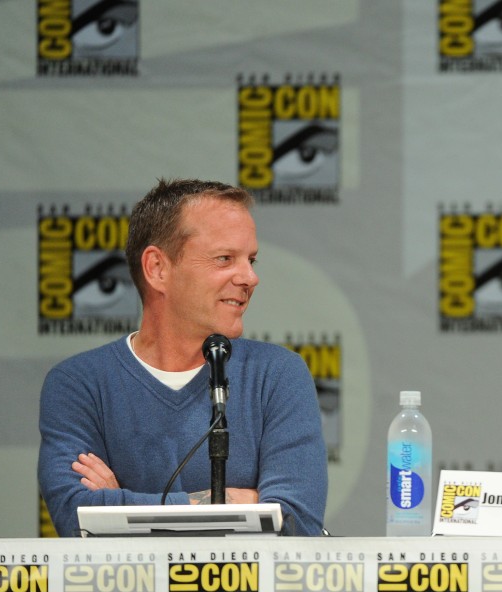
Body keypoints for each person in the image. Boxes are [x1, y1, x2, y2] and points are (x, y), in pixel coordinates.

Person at [38, 179, 328, 536]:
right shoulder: (79, 383)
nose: (250, 277)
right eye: (225, 259)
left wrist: (119, 504)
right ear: (158, 268)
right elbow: (74, 516)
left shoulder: (278, 375)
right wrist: (243, 503)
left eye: (251, 260)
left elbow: (297, 522)